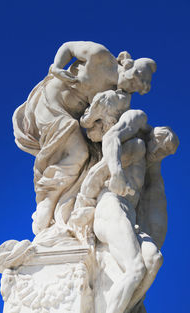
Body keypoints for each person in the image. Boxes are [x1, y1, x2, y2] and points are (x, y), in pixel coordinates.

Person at [68, 90, 179, 313]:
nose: (158, 152)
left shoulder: (150, 170)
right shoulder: (137, 146)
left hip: (129, 217)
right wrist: (86, 204)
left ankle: (124, 308)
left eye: (164, 152)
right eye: (159, 145)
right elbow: (96, 175)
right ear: (154, 137)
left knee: (154, 260)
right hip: (111, 206)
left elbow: (157, 208)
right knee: (136, 268)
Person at [13, 41, 119, 235]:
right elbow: (68, 47)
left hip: (73, 118)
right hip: (52, 102)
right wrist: (57, 67)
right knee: (79, 152)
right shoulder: (100, 55)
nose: (141, 85)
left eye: (142, 84)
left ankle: (62, 209)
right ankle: (47, 201)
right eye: (139, 77)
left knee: (91, 157)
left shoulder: (116, 94)